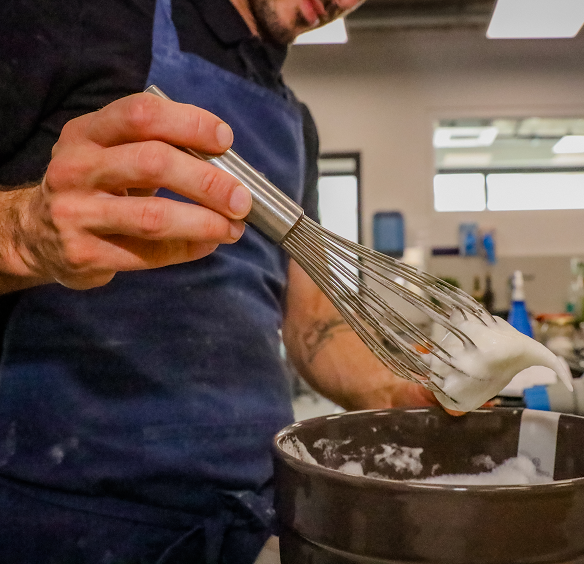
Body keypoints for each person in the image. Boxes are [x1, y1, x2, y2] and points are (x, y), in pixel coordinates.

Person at [0, 0, 440, 562]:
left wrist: (398, 392)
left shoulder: (296, 124)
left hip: (249, 518)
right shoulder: (76, 17)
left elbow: (312, 323)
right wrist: (24, 232)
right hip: (63, 515)